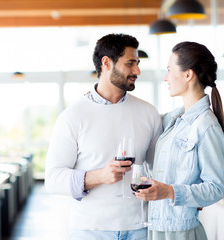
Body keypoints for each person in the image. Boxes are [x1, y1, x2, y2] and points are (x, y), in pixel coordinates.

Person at [44, 33, 162, 239]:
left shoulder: (149, 113)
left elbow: (159, 169)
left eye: (138, 63)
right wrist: (99, 176)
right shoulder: (72, 117)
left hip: (140, 228)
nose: (137, 71)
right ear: (106, 63)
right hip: (90, 229)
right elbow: (53, 179)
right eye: (130, 63)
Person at [135, 41, 224, 240]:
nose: (166, 77)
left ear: (188, 74)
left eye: (169, 70)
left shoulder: (206, 126)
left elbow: (216, 188)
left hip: (181, 233)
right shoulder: (173, 119)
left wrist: (169, 191)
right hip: (155, 229)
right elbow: (140, 120)